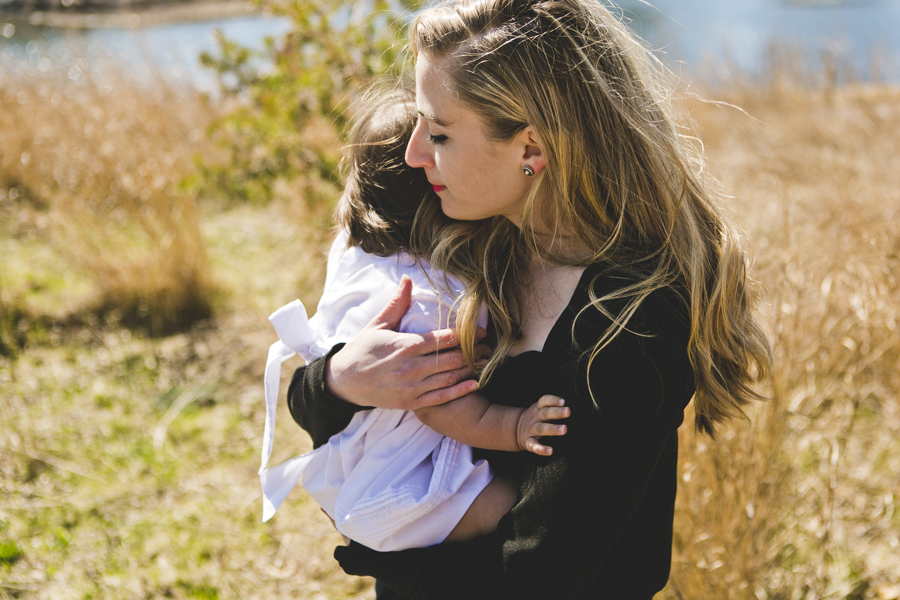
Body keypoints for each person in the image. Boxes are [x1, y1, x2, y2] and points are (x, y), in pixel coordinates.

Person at [288, 0, 772, 597]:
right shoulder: (465, 244)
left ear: (530, 150)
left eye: (439, 132)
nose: (414, 155)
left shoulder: (632, 318)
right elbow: (319, 407)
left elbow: (546, 573)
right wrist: (337, 380)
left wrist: (378, 557)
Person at [260, 84, 570, 552]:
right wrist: (514, 426)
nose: (423, 150)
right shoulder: (431, 300)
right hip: (402, 485)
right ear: (437, 194)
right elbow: (436, 401)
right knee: (511, 507)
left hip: (351, 470)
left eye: (441, 137)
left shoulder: (352, 252)